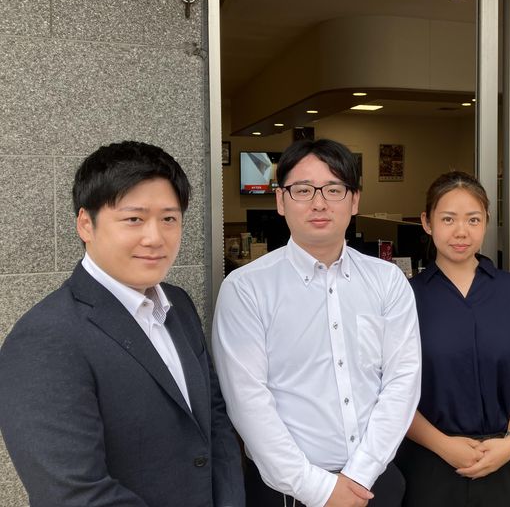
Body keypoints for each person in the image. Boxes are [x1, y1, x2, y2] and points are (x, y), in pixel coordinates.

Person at [0, 141, 245, 507]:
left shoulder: (178, 304)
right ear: (86, 224)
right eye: (134, 219)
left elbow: (214, 422)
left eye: (169, 218)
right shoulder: (44, 338)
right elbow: (72, 493)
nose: (155, 238)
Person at [212, 138, 421, 507]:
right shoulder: (246, 288)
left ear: (354, 200)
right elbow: (248, 401)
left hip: (373, 482)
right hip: (287, 491)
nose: (319, 203)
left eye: (334, 189)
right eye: (303, 190)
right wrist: (319, 490)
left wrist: (359, 476)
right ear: (281, 200)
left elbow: (402, 382)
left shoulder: (388, 281)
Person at [395, 171, 510, 507]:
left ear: (486, 222)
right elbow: (392, 389)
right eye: (448, 219)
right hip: (428, 464)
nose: (461, 231)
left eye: (473, 219)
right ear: (426, 222)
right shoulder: (406, 297)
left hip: (504, 460)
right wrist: (443, 445)